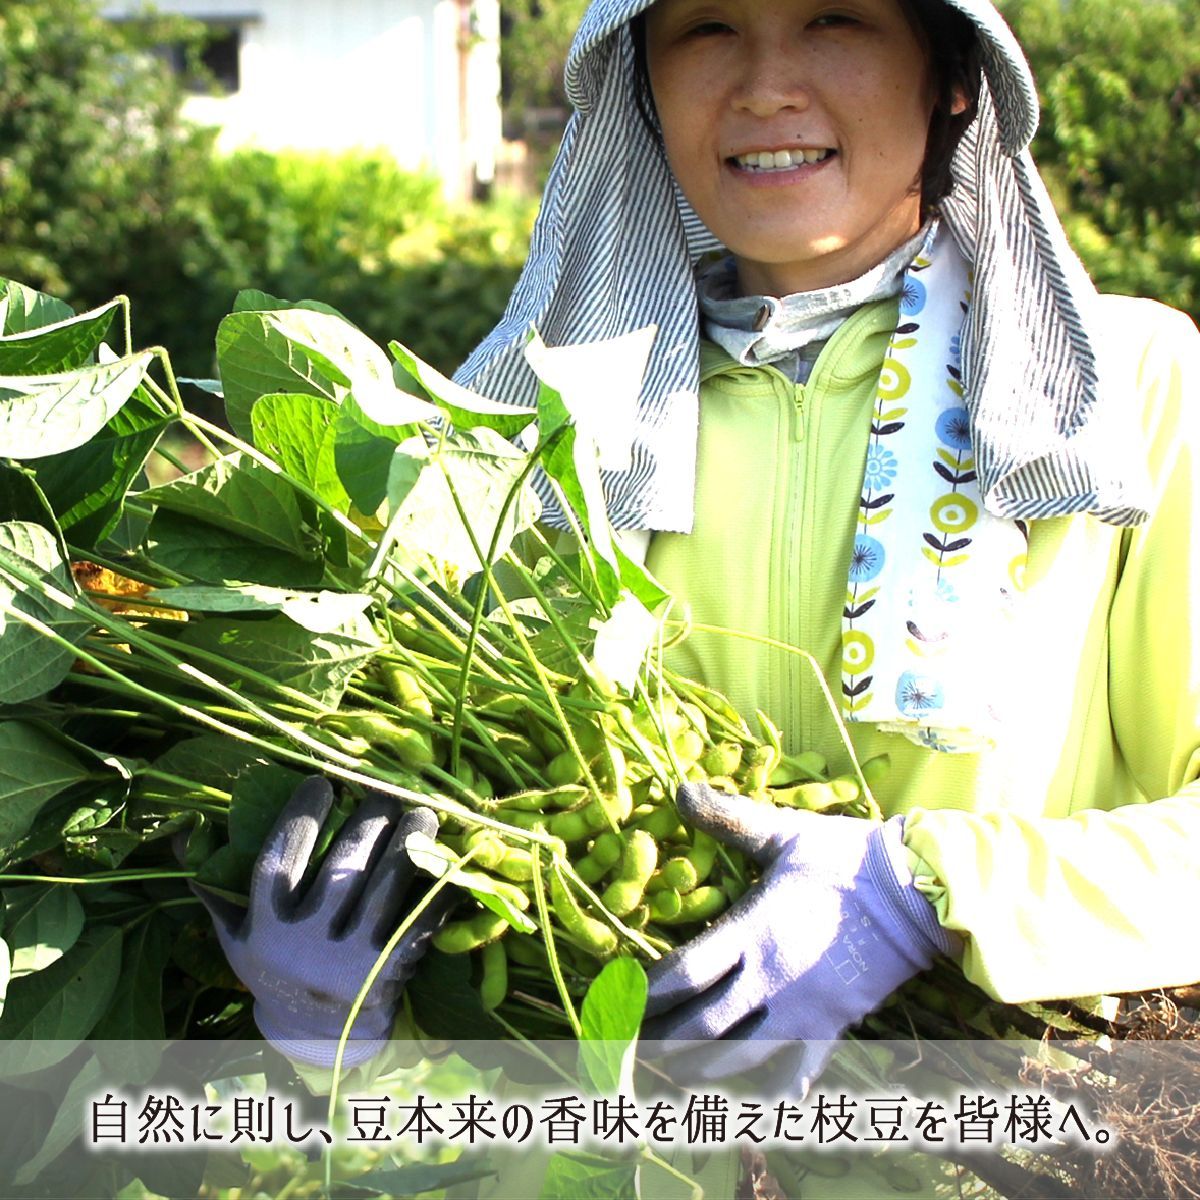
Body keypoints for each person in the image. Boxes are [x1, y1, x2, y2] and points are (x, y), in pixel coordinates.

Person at [198, 0, 1200, 1191]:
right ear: (642, 90)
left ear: (952, 77)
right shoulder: (535, 434)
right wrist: (348, 1044)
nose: (767, 85)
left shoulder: (1116, 390)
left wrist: (927, 892)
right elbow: (527, 890)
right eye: (708, 29)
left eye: (836, 20)